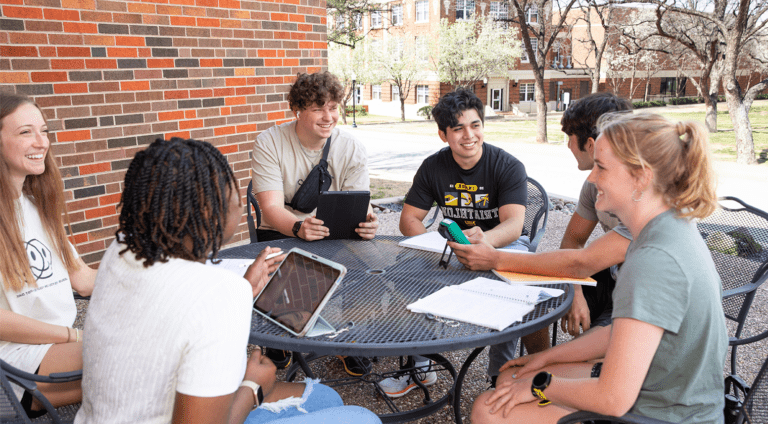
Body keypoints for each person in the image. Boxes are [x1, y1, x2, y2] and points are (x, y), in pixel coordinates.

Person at [75, 138, 381, 424]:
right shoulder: (219, 294)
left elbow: (179, 313)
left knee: (326, 396)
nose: (239, 202)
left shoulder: (122, 248)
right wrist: (253, 386)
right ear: (211, 212)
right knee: (363, 418)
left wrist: (245, 289)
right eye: (233, 192)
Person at [470, 113, 728, 423]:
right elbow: (623, 335)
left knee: (488, 408)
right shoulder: (669, 228)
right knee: (511, 378)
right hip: (665, 394)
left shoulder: (653, 260)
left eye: (601, 167)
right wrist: (544, 358)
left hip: (660, 415)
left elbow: (613, 399)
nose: (592, 178)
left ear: (642, 177)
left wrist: (542, 386)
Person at [452, 93, 633, 355]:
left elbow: (581, 261)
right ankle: (537, 372)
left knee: (579, 358)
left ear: (592, 144)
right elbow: (573, 243)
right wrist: (576, 290)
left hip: (638, 293)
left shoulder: (647, 205)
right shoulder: (594, 186)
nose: (568, 146)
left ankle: (539, 374)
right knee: (531, 294)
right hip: (614, 277)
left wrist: (494, 258)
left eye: (568, 138)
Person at [378, 89, 529, 398]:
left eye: (475, 125)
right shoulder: (433, 166)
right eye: (458, 128)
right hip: (453, 246)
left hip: (501, 244)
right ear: (443, 134)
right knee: (403, 269)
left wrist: (484, 243)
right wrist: (437, 246)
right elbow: (409, 220)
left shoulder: (508, 165)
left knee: (513, 288)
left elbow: (514, 225)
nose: (469, 135)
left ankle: (501, 376)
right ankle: (420, 366)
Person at [251, 71, 377, 375]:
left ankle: (352, 339)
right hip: (282, 232)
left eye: (333, 107)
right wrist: (298, 228)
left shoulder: (350, 147)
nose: (328, 116)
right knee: (298, 265)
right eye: (318, 108)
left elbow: (361, 201)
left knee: (369, 262)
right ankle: (282, 335)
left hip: (333, 233)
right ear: (298, 109)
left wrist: (368, 221)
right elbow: (269, 209)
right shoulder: (270, 141)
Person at [0, 93, 98, 417]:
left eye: (44, 130)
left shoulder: (36, 206)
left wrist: (149, 271)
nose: (41, 142)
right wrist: (71, 335)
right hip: (14, 364)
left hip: (59, 349)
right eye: (26, 132)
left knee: (157, 355)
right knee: (141, 353)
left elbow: (83, 279)